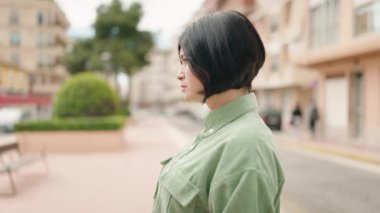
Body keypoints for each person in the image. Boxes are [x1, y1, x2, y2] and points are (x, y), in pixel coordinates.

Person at [152, 11, 285, 213]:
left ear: (217, 60)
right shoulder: (220, 130)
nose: (179, 75)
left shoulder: (244, 145)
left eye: (187, 61)